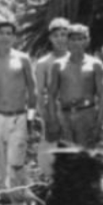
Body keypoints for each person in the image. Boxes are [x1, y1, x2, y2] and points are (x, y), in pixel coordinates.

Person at [0, 19, 37, 197]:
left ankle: (18, 197)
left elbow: (33, 90)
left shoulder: (23, 59)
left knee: (16, 160)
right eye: (1, 33)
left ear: (14, 37)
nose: (5, 37)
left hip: (19, 116)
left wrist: (31, 117)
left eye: (9, 33)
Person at [50, 24, 103, 149]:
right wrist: (53, 121)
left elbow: (102, 96)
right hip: (65, 116)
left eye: (81, 39)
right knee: (67, 160)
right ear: (67, 41)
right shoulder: (58, 65)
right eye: (73, 39)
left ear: (87, 41)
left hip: (87, 115)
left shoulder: (95, 64)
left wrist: (99, 124)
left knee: (85, 158)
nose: (76, 43)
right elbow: (52, 95)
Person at [35, 17, 69, 178]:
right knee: (49, 150)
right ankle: (51, 181)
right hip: (53, 111)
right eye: (56, 35)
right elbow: (40, 92)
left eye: (64, 34)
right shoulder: (43, 63)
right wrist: (45, 117)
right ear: (50, 38)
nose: (60, 39)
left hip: (75, 112)